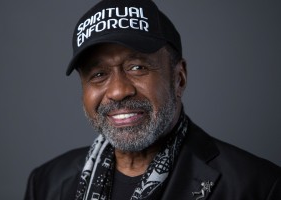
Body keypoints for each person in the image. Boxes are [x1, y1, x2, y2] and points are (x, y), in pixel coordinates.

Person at [24, 0, 281, 199]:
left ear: (178, 78)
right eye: (99, 74)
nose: (117, 91)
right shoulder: (47, 183)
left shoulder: (257, 186)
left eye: (137, 67)